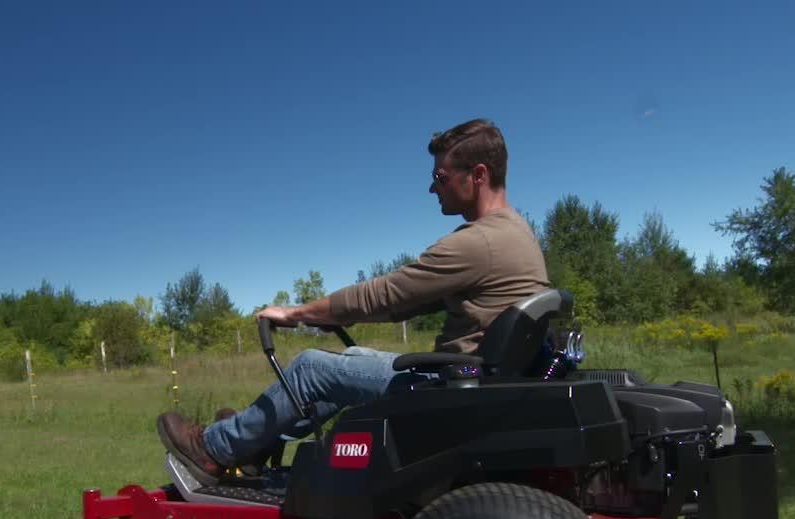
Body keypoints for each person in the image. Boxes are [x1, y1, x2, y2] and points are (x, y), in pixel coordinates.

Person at [157, 118, 549, 484]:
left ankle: (213, 449)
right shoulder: (516, 234)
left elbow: (384, 293)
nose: (433, 188)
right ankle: (259, 437)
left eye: (440, 177)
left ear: (478, 175)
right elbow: (413, 302)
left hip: (449, 391)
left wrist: (298, 313)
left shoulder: (477, 242)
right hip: (477, 384)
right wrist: (337, 315)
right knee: (356, 355)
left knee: (311, 368)